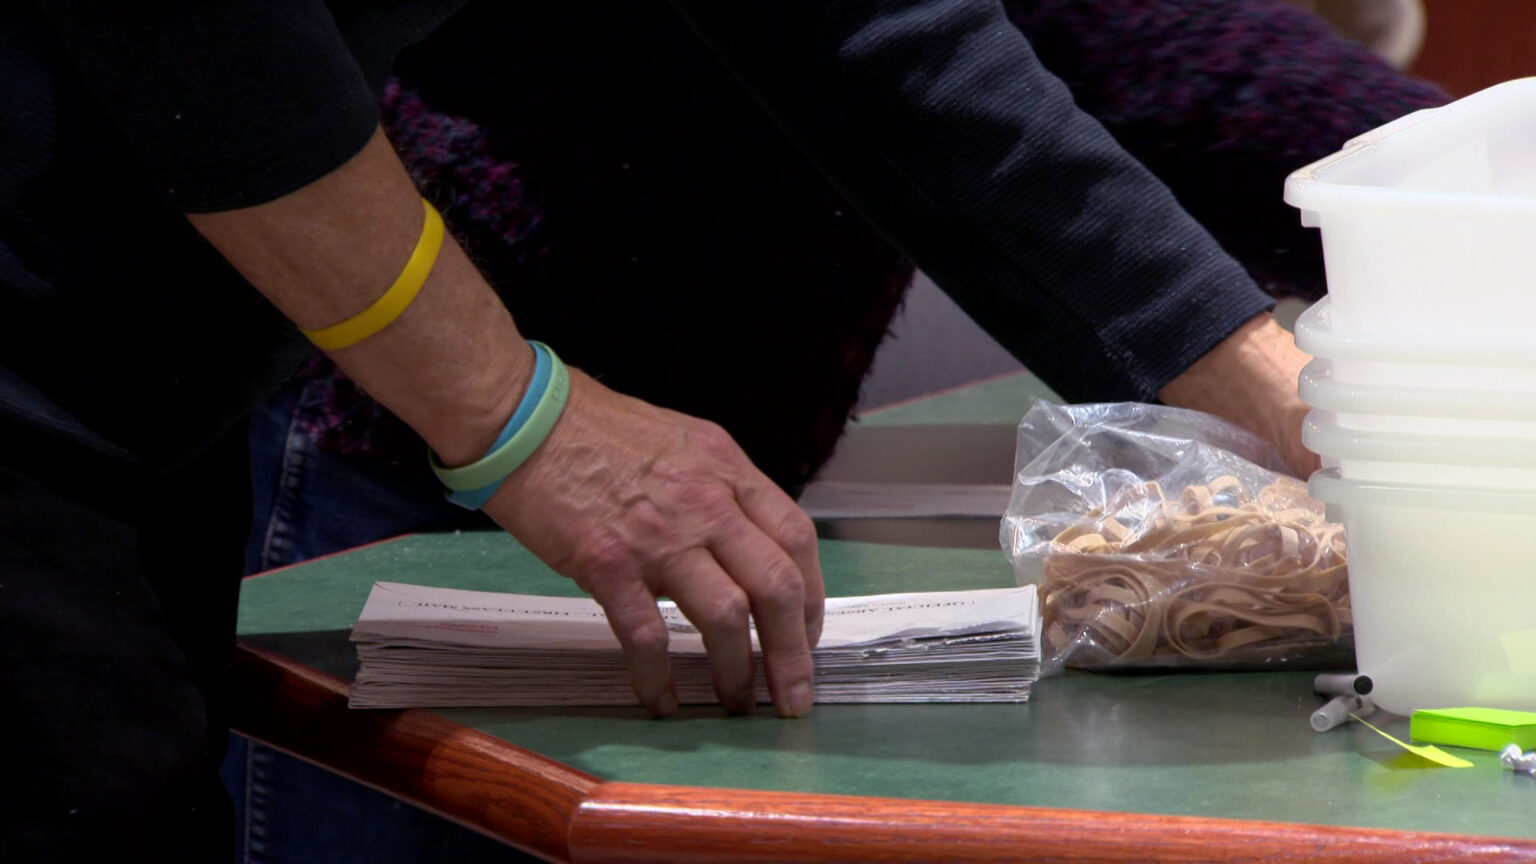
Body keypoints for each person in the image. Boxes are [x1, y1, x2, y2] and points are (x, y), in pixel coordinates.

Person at [0, 0, 1441, 860]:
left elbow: (873, 36)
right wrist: (520, 414)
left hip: (154, 406)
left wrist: (1281, 392)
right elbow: (205, 42)